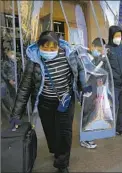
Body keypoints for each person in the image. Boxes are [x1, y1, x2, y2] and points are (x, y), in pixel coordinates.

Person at [9, 31, 91, 173]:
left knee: (64, 133)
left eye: (52, 48)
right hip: (45, 103)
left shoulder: (69, 55)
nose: (48, 51)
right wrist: (16, 115)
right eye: (45, 47)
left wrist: (84, 86)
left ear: (58, 47)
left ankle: (62, 164)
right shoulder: (34, 61)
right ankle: (56, 150)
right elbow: (24, 88)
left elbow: (80, 70)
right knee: (51, 131)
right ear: (39, 46)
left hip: (66, 101)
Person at [79, 37, 107, 149]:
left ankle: (88, 136)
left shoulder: (101, 58)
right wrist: (102, 58)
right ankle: (85, 138)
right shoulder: (86, 57)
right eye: (98, 49)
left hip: (96, 89)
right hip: (87, 89)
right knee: (86, 113)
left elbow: (103, 74)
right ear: (93, 46)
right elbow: (92, 70)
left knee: (92, 112)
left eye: (101, 50)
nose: (99, 52)